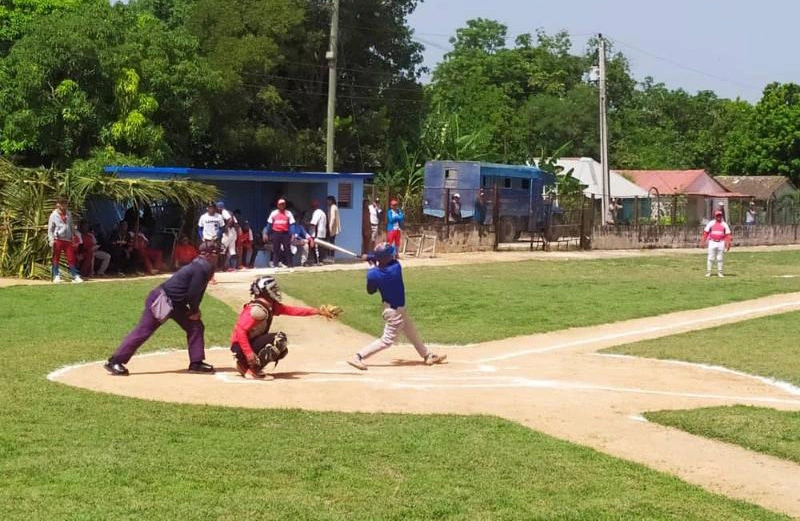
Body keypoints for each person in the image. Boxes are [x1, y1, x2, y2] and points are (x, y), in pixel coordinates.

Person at [104, 242, 219, 376]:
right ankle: (115, 361)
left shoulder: (205, 267)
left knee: (195, 326)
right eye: (215, 253)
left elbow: (198, 291)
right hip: (163, 300)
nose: (217, 256)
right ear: (207, 254)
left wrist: (194, 311)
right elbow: (193, 293)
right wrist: (194, 310)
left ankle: (196, 362)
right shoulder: (200, 267)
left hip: (177, 304)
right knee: (144, 330)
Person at [347, 243, 446, 371]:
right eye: (390, 254)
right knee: (387, 341)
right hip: (394, 312)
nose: (393, 255)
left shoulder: (375, 274)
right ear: (386, 257)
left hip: (397, 309)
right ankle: (358, 356)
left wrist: (371, 264)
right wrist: (372, 259)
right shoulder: (395, 267)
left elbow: (371, 290)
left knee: (411, 333)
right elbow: (381, 265)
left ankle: (427, 355)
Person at [230, 276, 341, 378]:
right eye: (272, 288)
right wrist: (248, 353)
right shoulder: (258, 310)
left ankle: (245, 365)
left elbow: (292, 311)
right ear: (264, 291)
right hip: (240, 347)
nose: (275, 291)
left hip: (246, 344)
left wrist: (318, 312)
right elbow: (240, 330)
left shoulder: (270, 306)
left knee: (282, 349)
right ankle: (251, 369)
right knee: (279, 339)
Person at [47, 198, 83, 284]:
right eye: (61, 203)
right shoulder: (53, 215)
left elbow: (70, 225)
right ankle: (56, 275)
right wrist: (51, 239)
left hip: (68, 239)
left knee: (71, 258)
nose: (63, 205)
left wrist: (74, 235)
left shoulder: (69, 214)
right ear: (57, 204)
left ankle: (75, 275)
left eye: (65, 203)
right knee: (56, 258)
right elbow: (50, 228)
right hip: (58, 239)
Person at [701, 210, 732, 278]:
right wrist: (703, 242)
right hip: (712, 242)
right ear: (715, 216)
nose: (718, 217)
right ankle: (709, 272)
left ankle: (720, 272)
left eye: (720, 216)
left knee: (720, 258)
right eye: (717, 216)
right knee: (710, 258)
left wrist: (728, 244)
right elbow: (705, 233)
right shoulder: (711, 223)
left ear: (721, 216)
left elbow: (727, 235)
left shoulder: (724, 224)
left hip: (721, 242)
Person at [266, 198, 295, 268]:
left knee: (287, 249)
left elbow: (292, 224)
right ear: (278, 205)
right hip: (276, 233)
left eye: (283, 204)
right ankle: (275, 265)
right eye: (280, 204)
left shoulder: (288, 213)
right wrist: (267, 233)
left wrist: (293, 234)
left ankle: (290, 265)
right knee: (276, 249)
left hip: (285, 233)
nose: (282, 205)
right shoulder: (273, 213)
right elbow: (269, 224)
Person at [309, 199, 327, 265]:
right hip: (322, 233)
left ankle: (318, 261)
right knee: (320, 248)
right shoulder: (322, 212)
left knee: (316, 248)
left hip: (317, 233)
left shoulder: (317, 212)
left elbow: (313, 223)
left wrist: (305, 223)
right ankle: (320, 260)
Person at [326, 196, 341, 263]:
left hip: (332, 227)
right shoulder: (332, 207)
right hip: (332, 227)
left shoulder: (333, 207)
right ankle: (330, 257)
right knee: (331, 242)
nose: (327, 202)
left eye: (328, 200)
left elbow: (332, 218)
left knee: (331, 242)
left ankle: (331, 257)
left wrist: (330, 226)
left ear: (331, 201)